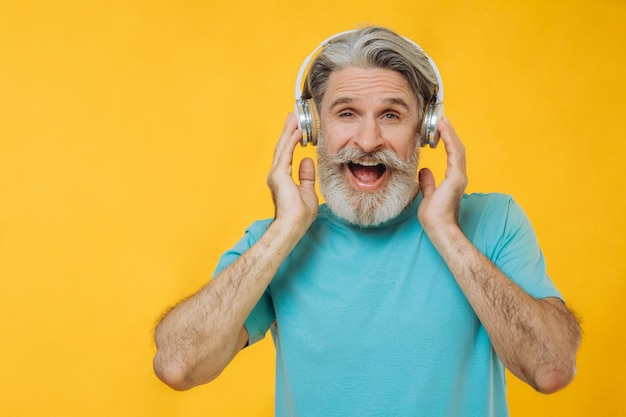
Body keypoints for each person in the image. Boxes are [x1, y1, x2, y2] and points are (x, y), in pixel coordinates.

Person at [153, 26, 581, 416]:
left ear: (426, 130)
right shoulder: (276, 243)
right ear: (312, 128)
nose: (369, 139)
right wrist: (282, 233)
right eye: (346, 113)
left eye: (392, 115)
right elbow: (177, 365)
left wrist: (447, 233)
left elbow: (551, 368)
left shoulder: (492, 222)